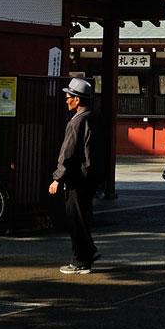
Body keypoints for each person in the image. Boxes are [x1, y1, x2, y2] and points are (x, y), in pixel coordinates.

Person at [49, 77, 100, 275]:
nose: (66, 100)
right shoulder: (94, 117)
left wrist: (57, 177)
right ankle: (87, 255)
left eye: (68, 96)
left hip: (77, 178)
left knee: (75, 218)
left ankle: (80, 260)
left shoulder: (76, 122)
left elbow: (68, 153)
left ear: (77, 100)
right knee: (83, 217)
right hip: (90, 176)